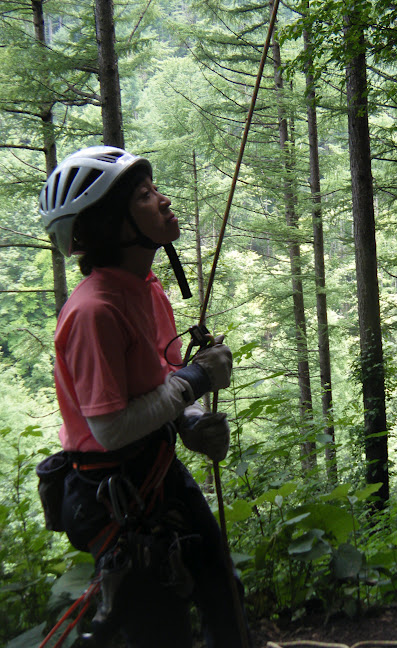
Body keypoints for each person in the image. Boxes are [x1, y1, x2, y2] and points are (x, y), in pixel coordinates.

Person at [38, 146, 249, 648]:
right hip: (112, 496)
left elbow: (161, 377)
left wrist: (192, 420)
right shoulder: (95, 311)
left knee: (223, 593)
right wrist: (196, 380)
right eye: (145, 195)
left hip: (155, 470)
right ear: (113, 223)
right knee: (161, 631)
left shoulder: (144, 287)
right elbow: (109, 428)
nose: (163, 200)